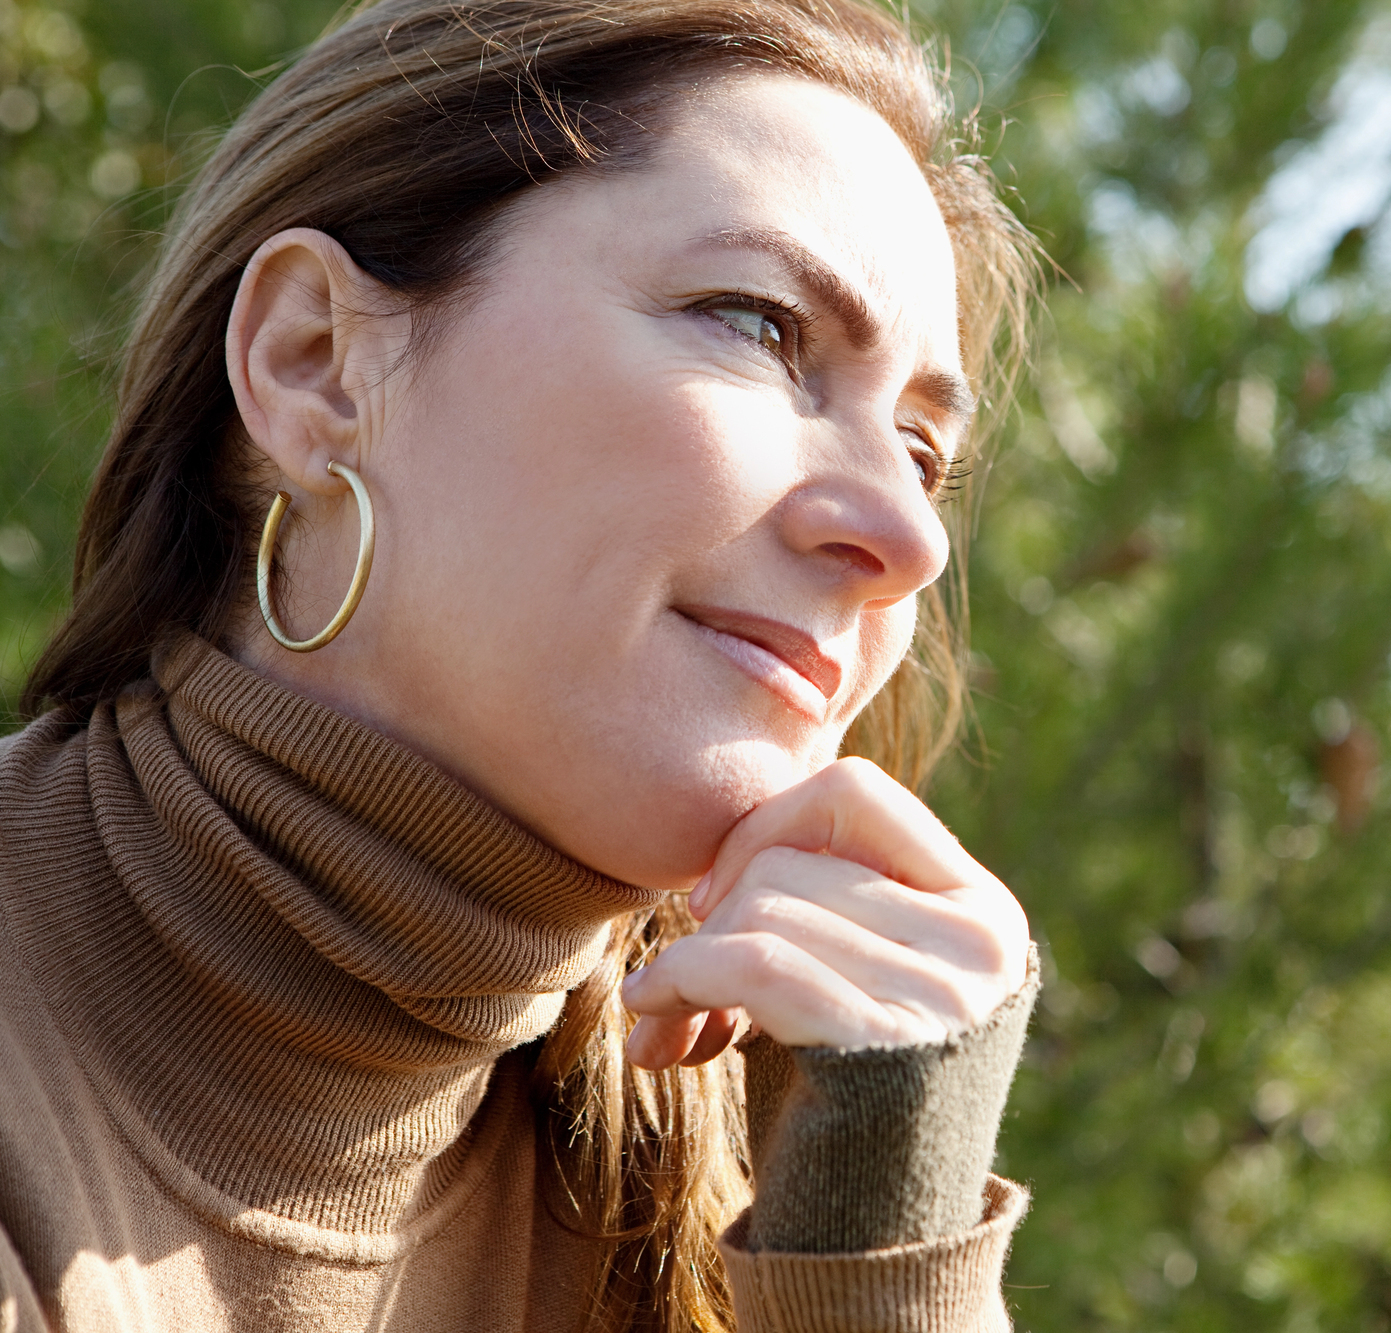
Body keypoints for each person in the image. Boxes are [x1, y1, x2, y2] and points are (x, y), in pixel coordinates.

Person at [0, 0, 1043, 1328]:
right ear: (315, 363)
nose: (906, 538)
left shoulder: (786, 1149)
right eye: (759, 325)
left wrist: (879, 1264)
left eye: (921, 450)